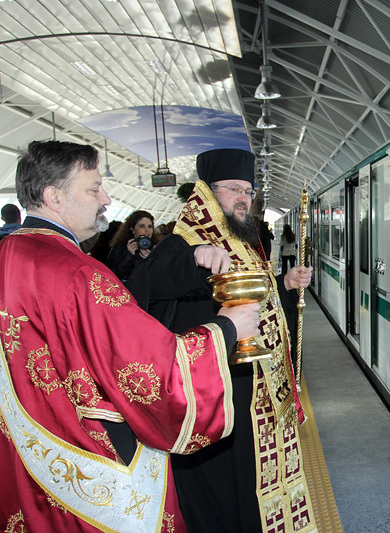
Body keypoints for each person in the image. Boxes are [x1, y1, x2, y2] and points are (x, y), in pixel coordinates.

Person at [0, 140, 260, 532]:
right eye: (93, 188)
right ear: (54, 197)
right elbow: (149, 368)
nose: (105, 198)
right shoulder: (77, 274)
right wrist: (226, 329)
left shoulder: (10, 253)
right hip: (87, 459)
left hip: (30, 453)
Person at [127, 148, 316, 533]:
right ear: (207, 193)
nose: (244, 198)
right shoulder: (181, 243)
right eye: (233, 189)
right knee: (224, 495)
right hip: (217, 401)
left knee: (252, 486)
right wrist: (196, 256)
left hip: (255, 391)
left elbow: (255, 304)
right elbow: (146, 285)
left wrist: (283, 284)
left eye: (249, 190)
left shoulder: (243, 242)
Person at [106, 210, 155, 282]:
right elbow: (111, 274)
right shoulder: (120, 246)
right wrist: (129, 256)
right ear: (132, 229)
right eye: (142, 226)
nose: (147, 230)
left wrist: (151, 261)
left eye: (150, 226)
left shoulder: (157, 248)